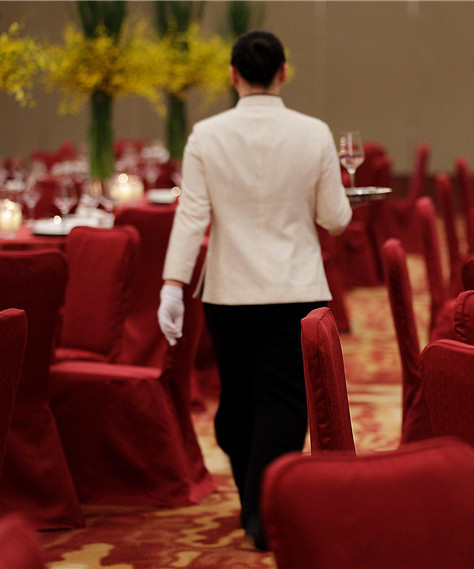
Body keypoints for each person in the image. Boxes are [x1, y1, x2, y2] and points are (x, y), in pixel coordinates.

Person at [157, 30, 352, 549]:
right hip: (296, 287)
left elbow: (191, 217)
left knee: (238, 402)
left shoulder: (206, 135)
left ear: (232, 74)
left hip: (229, 290)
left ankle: (256, 508)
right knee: (283, 403)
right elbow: (334, 219)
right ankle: (264, 513)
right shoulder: (313, 132)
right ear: (283, 73)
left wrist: (172, 285)